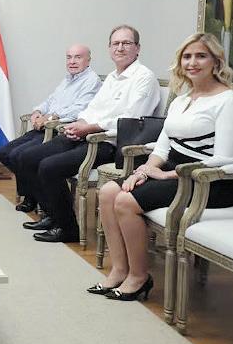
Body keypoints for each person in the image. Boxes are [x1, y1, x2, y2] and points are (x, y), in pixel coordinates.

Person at [90, 33, 233, 301]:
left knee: (125, 201)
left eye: (201, 56)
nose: (192, 63)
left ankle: (139, 277)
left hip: (210, 181)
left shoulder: (228, 100)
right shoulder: (182, 100)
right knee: (107, 193)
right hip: (174, 172)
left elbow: (221, 159)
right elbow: (162, 148)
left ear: (216, 61)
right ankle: (119, 270)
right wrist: (143, 171)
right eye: (187, 56)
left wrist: (164, 175)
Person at [19, 25, 161, 243]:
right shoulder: (112, 77)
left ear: (138, 48)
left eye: (126, 43)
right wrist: (79, 124)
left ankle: (67, 229)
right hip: (86, 134)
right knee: (29, 157)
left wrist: (90, 127)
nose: (120, 48)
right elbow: (91, 109)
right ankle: (52, 215)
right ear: (109, 48)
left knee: (49, 167)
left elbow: (130, 120)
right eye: (115, 43)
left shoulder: (144, 78)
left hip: (110, 144)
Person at [0, 44, 102, 213]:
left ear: (88, 60)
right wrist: (38, 111)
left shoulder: (92, 81)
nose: (72, 61)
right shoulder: (68, 79)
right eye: (69, 57)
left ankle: (34, 199)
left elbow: (79, 109)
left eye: (78, 57)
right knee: (4, 153)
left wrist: (50, 117)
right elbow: (50, 100)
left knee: (21, 156)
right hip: (43, 127)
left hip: (58, 130)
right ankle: (33, 193)